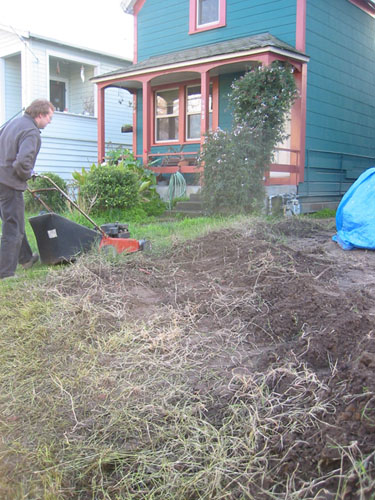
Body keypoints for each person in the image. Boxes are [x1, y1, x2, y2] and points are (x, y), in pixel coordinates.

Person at [0, 99, 54, 280]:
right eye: (49, 117)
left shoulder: (13, 123)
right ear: (40, 115)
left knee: (13, 222)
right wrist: (27, 174)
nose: (50, 121)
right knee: (13, 228)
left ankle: (26, 258)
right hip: (9, 184)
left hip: (1, 179)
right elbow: (23, 162)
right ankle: (5, 272)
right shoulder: (31, 132)